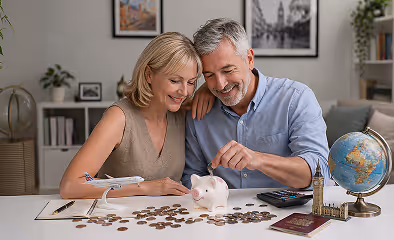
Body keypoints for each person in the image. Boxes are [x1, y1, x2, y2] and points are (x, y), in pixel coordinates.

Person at [60, 32, 214, 199]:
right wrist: (144, 188)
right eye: (175, 81)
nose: (184, 91)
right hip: (119, 220)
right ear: (149, 74)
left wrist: (206, 88)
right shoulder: (119, 118)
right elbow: (71, 186)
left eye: (191, 82)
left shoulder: (182, 112)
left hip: (168, 220)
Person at [182, 18, 331, 190]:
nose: (220, 84)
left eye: (228, 70)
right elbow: (192, 178)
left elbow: (320, 174)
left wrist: (259, 160)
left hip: (289, 214)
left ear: (250, 59)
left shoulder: (296, 99)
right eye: (209, 75)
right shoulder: (199, 114)